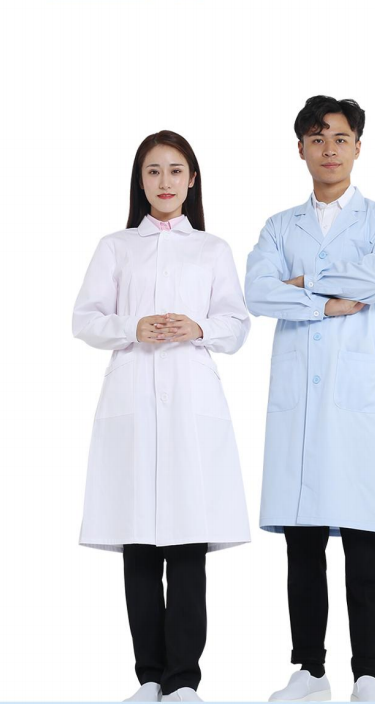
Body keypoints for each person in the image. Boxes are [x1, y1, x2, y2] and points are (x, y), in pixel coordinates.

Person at [72, 130, 252, 703]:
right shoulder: (116, 247)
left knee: (188, 546)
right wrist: (133, 326)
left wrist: (199, 327)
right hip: (132, 404)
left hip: (192, 407)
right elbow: (84, 319)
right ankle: (149, 679)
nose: (165, 181)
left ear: (192, 180)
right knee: (140, 547)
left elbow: (236, 324)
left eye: (176, 171)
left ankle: (183, 682)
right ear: (140, 181)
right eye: (153, 171)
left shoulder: (213, 249)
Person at [245, 96, 375, 703]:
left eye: (340, 138)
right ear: (301, 150)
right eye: (317, 139)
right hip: (300, 400)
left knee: (364, 538)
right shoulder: (278, 226)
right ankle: (309, 671)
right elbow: (256, 292)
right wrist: (326, 303)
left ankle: (368, 674)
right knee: (303, 540)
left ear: (358, 146)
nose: (329, 150)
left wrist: (304, 283)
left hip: (356, 399)